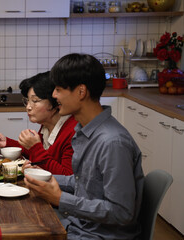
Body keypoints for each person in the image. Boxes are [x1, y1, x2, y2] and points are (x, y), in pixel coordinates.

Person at [23, 53, 144, 239]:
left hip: (96, 235)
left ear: (81, 92)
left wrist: (60, 199)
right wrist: (40, 177)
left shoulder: (112, 142)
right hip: (78, 224)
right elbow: (83, 182)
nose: (54, 95)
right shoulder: (85, 131)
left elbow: (121, 212)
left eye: (59, 89)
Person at [0, 72, 77, 175]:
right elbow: (38, 154)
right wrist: (8, 143)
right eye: (27, 101)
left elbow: (67, 176)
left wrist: (35, 147)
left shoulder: (72, 131)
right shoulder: (46, 125)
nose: (28, 107)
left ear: (54, 101)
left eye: (35, 101)